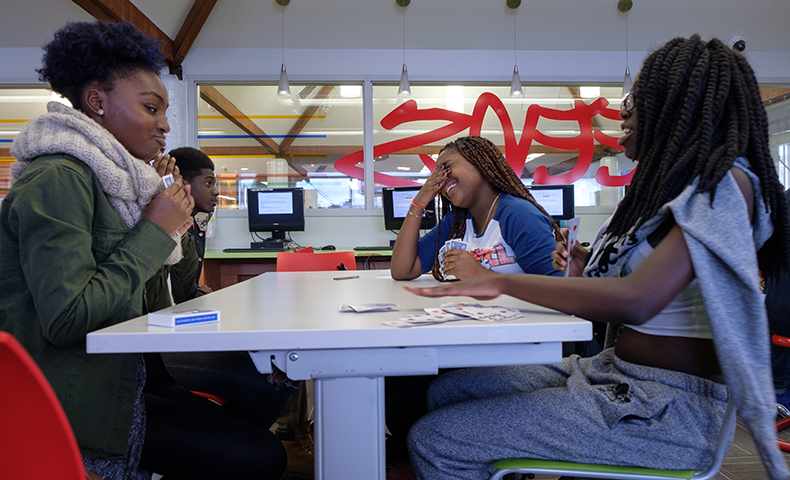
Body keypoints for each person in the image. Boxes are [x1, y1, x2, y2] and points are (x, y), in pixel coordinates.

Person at [403, 35, 790, 480]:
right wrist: (585, 271)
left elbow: (641, 299)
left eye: (635, 99)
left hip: (666, 410)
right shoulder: (661, 191)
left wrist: (499, 280)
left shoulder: (725, 185)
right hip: (614, 373)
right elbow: (644, 290)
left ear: (674, 103)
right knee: (451, 389)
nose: (622, 112)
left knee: (435, 439)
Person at [0, 21, 286, 480]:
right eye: (151, 107)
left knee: (247, 425)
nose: (165, 125)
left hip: (121, 378)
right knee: (262, 455)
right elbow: (67, 318)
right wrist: (154, 229)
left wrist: (161, 219)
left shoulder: (115, 186)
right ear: (97, 102)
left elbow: (143, 302)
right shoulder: (58, 178)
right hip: (73, 399)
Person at [386, 136, 601, 473]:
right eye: (436, 174)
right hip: (476, 335)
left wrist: (483, 275)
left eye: (447, 167)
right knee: (393, 376)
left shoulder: (517, 214)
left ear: (482, 166)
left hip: (523, 346)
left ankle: (460, 454)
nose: (441, 179)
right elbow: (403, 269)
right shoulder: (458, 220)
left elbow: (561, 294)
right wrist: (421, 199)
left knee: (406, 401)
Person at [159, 146, 294, 435]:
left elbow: (184, 293)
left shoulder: (190, 229)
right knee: (275, 383)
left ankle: (234, 445)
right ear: (180, 184)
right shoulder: (167, 231)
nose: (216, 192)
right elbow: (177, 301)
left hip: (173, 333)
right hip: (158, 347)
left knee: (277, 368)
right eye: (208, 183)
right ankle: (235, 447)